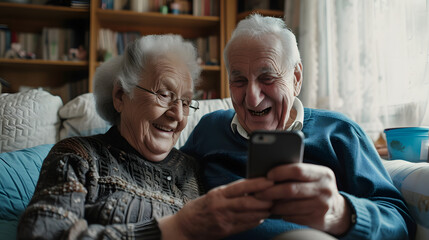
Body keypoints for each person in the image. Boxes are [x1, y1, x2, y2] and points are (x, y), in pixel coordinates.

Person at [17, 34, 276, 239]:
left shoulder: (192, 170)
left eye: (186, 102)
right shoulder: (79, 156)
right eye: (164, 95)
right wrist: (174, 228)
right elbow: (43, 234)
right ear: (120, 96)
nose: (177, 114)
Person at [181, 14, 416, 239]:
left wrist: (340, 212)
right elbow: (168, 183)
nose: (252, 98)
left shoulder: (340, 133)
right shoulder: (210, 128)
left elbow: (399, 222)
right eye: (239, 80)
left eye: (267, 78)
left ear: (296, 78)